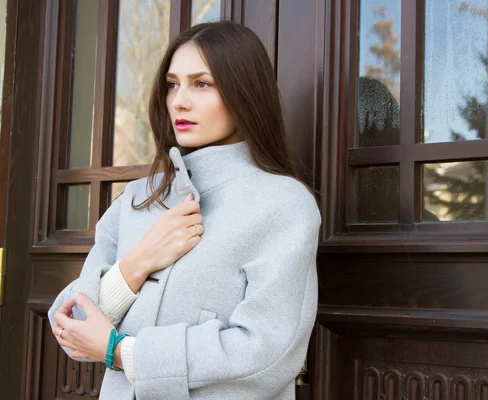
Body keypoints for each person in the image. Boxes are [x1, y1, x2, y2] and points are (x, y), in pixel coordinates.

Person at [48, 21, 320, 400]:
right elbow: (68, 322)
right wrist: (138, 262)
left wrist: (123, 352)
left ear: (244, 93)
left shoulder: (283, 203)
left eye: (202, 83)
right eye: (173, 84)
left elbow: (267, 352)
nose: (179, 100)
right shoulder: (138, 198)